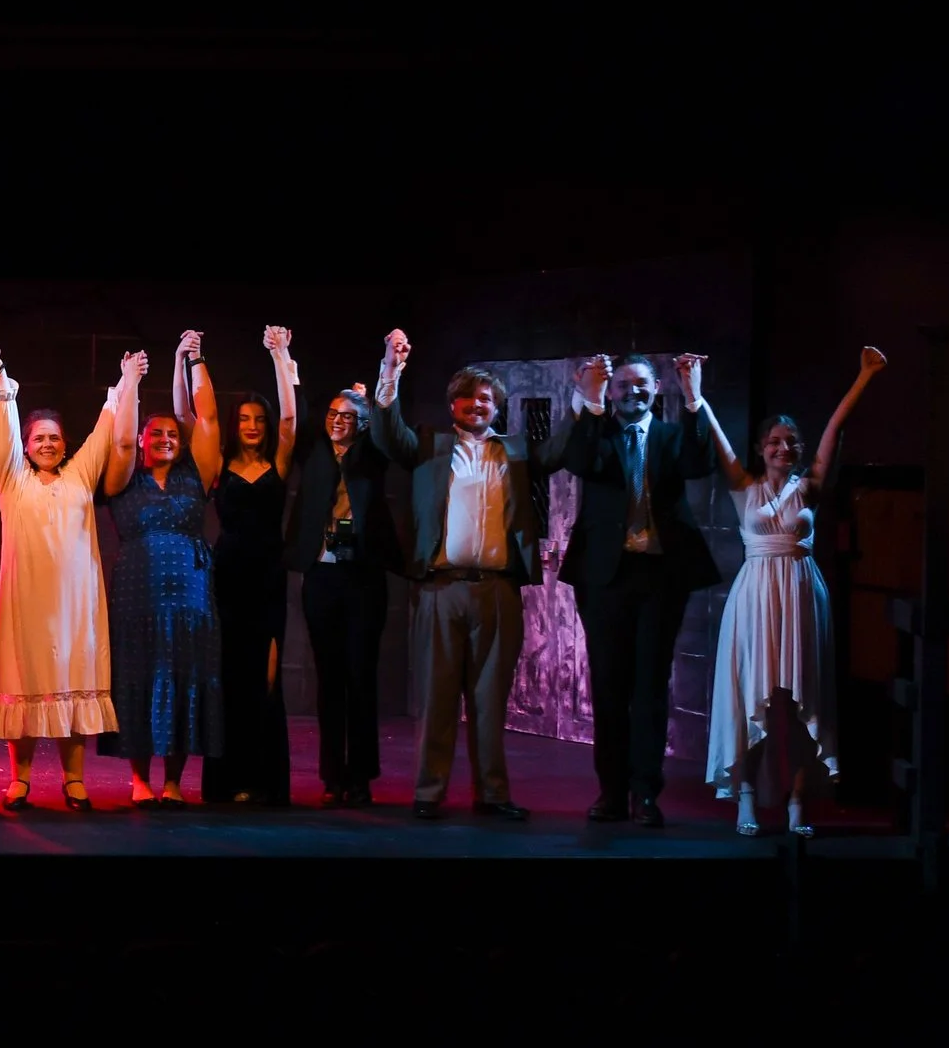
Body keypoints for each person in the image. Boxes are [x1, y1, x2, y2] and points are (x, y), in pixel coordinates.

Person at [369, 330, 570, 820]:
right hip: (441, 588)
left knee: (489, 701)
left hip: (497, 591)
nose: (475, 405)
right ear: (452, 405)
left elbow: (560, 451)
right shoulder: (431, 446)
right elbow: (386, 434)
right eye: (466, 398)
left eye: (485, 399)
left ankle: (493, 793)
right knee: (437, 697)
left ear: (497, 407)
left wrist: (586, 399)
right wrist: (390, 372)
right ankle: (428, 793)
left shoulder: (517, 452)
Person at [697, 347, 887, 836]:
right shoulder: (745, 485)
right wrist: (695, 395)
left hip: (801, 589)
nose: (784, 447)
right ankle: (744, 797)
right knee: (747, 694)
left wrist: (864, 376)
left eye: (791, 441)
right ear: (762, 447)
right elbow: (718, 442)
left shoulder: (811, 487)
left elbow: (834, 431)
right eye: (775, 441)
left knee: (804, 700)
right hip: (755, 592)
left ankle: (798, 801)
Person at [557, 352, 721, 828]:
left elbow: (700, 462)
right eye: (623, 385)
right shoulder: (598, 432)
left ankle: (645, 793)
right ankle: (610, 792)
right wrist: (588, 397)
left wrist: (693, 396)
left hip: (659, 577)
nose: (633, 392)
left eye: (642, 385)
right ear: (611, 392)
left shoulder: (672, 437)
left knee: (650, 687)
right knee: (609, 686)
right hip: (605, 578)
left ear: (656, 390)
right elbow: (580, 461)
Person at [0, 340, 146, 812]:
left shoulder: (79, 477)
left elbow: (105, 428)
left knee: (71, 684)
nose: (47, 444)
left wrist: (127, 378)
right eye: (39, 439)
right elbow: (4, 431)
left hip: (75, 606)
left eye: (54, 438)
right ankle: (21, 780)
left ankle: (74, 780)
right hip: (26, 604)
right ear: (28, 446)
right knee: (26, 685)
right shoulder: (12, 480)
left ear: (64, 444)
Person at [99, 331, 222, 808]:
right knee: (139, 677)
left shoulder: (197, 474)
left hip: (191, 598)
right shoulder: (124, 478)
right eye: (158, 433)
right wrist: (130, 380)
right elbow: (123, 438)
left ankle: (174, 780)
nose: (167, 438)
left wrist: (188, 361)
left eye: (173, 433)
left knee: (185, 677)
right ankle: (139, 778)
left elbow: (204, 416)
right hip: (137, 597)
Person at [187, 325, 299, 804]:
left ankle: (265, 782)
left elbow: (292, 417)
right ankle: (228, 781)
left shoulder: (278, 460)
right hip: (228, 580)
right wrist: (193, 357)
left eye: (259, 418)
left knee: (267, 679)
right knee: (230, 678)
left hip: (269, 580)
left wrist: (280, 355)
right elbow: (200, 414)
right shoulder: (219, 465)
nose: (252, 425)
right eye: (245, 418)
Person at [287, 376, 403, 807]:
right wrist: (287, 363)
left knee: (360, 677)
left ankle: (361, 776)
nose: (337, 422)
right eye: (333, 415)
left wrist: (382, 386)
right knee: (329, 679)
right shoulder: (313, 452)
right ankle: (332, 775)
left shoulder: (371, 456)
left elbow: (390, 433)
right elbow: (293, 414)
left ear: (362, 423)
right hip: (321, 575)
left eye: (348, 417)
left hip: (363, 577)